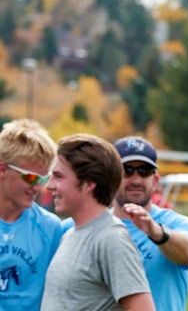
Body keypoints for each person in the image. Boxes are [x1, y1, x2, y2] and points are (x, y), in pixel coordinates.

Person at [41, 133, 155, 311]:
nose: (49, 185)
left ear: (88, 183)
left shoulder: (111, 240)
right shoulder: (70, 233)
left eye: (58, 176)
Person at [112, 136, 188, 311]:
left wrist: (157, 232)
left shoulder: (177, 223)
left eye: (144, 171)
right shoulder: (87, 226)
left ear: (155, 181)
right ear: (111, 177)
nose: (136, 180)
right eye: (127, 170)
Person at [0, 118, 62, 311]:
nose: (38, 187)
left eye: (43, 179)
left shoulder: (50, 227)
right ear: (2, 169)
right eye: (31, 177)